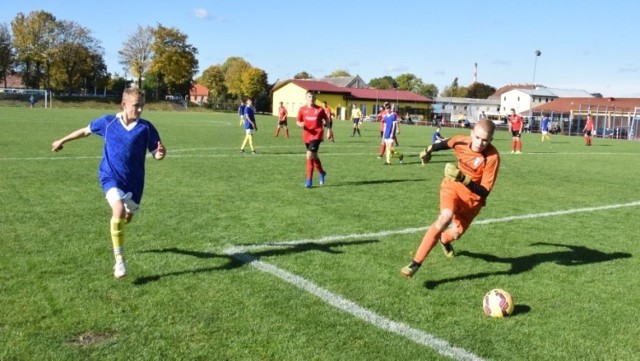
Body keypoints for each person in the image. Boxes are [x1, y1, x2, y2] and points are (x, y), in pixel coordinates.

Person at [51, 87, 166, 279]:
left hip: (135, 182)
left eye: (142, 106)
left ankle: (126, 217)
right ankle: (120, 261)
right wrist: (62, 140)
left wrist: (161, 154)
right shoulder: (108, 122)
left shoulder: (146, 128)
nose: (139, 110)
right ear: (123, 104)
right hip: (110, 176)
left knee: (126, 217)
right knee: (118, 211)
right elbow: (85, 131)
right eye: (136, 106)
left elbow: (157, 153)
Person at [401, 119, 500, 278]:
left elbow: (485, 191)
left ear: (491, 140)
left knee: (455, 234)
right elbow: (444, 143)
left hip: (472, 203)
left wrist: (463, 178)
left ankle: (444, 241)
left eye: (485, 140)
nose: (480, 143)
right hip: (452, 188)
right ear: (471, 134)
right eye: (477, 137)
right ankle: (415, 263)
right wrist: (428, 150)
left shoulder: (492, 157)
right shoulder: (461, 140)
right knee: (444, 218)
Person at [296, 90, 328, 188]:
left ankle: (309, 181)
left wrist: (328, 128)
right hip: (307, 135)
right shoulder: (302, 109)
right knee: (314, 156)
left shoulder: (320, 110)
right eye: (309, 97)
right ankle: (322, 172)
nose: (312, 99)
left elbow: (326, 119)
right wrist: (300, 124)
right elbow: (298, 121)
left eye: (313, 97)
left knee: (309, 155)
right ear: (306, 98)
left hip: (317, 135)